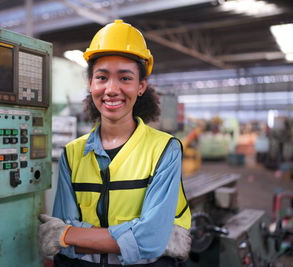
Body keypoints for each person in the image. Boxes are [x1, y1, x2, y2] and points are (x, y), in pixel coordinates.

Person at [38, 19, 191, 266]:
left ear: (141, 86)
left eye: (125, 78)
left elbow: (150, 239)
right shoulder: (73, 153)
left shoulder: (164, 149)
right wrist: (129, 234)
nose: (111, 89)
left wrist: (68, 234)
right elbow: (63, 236)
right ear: (90, 84)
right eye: (102, 77)